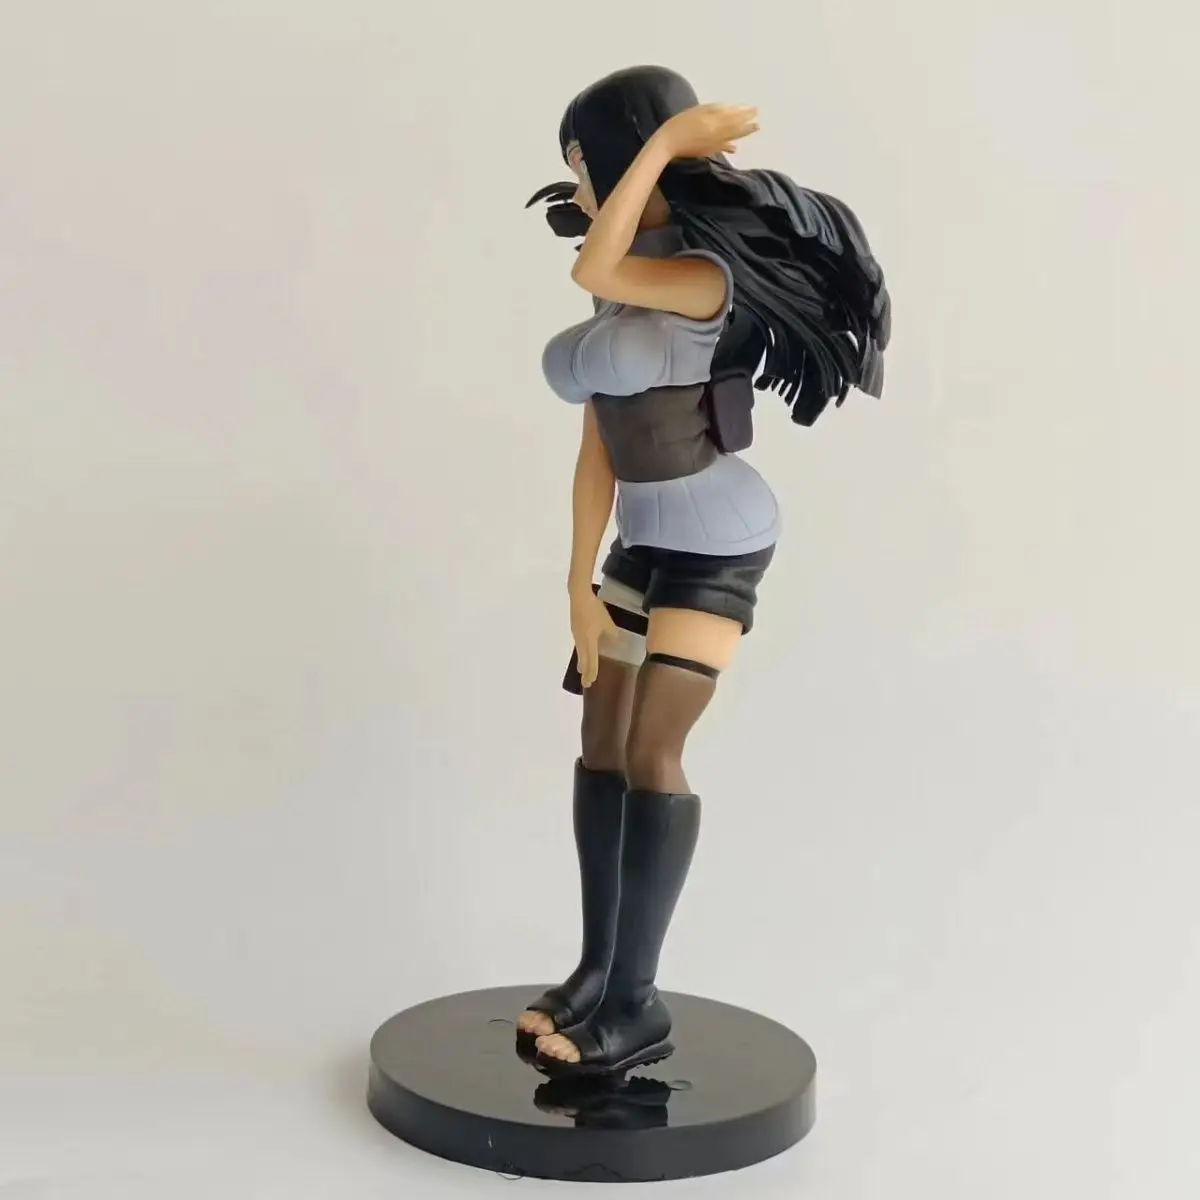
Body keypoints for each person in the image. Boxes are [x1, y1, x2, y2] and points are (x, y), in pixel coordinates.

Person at [514, 64, 890, 1078]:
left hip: (718, 539)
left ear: (632, 156)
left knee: (651, 751)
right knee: (600, 743)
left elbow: (594, 266)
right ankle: (598, 970)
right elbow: (600, 444)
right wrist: (577, 582)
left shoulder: (703, 277)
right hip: (640, 539)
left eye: (585, 164)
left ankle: (638, 1004)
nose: (578, 186)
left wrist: (663, 145)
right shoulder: (626, 276)